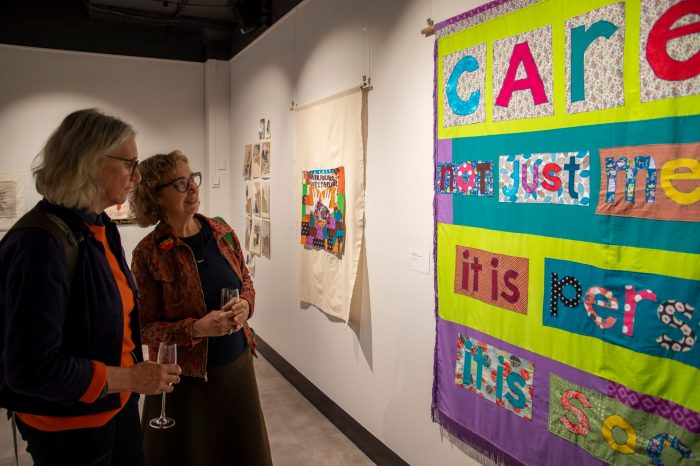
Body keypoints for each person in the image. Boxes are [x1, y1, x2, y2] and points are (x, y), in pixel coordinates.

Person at [0, 108, 181, 466]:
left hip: (115, 405)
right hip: (69, 429)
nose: (138, 174)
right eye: (130, 163)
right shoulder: (39, 243)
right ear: (91, 163)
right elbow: (31, 369)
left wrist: (127, 384)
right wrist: (129, 376)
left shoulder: (99, 226)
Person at [130, 150, 272, 466]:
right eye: (180, 183)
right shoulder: (148, 254)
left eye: (193, 178)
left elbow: (246, 280)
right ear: (157, 196)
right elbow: (144, 328)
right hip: (185, 383)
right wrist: (196, 328)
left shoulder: (222, 232)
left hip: (236, 370)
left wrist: (246, 307)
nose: (193, 188)